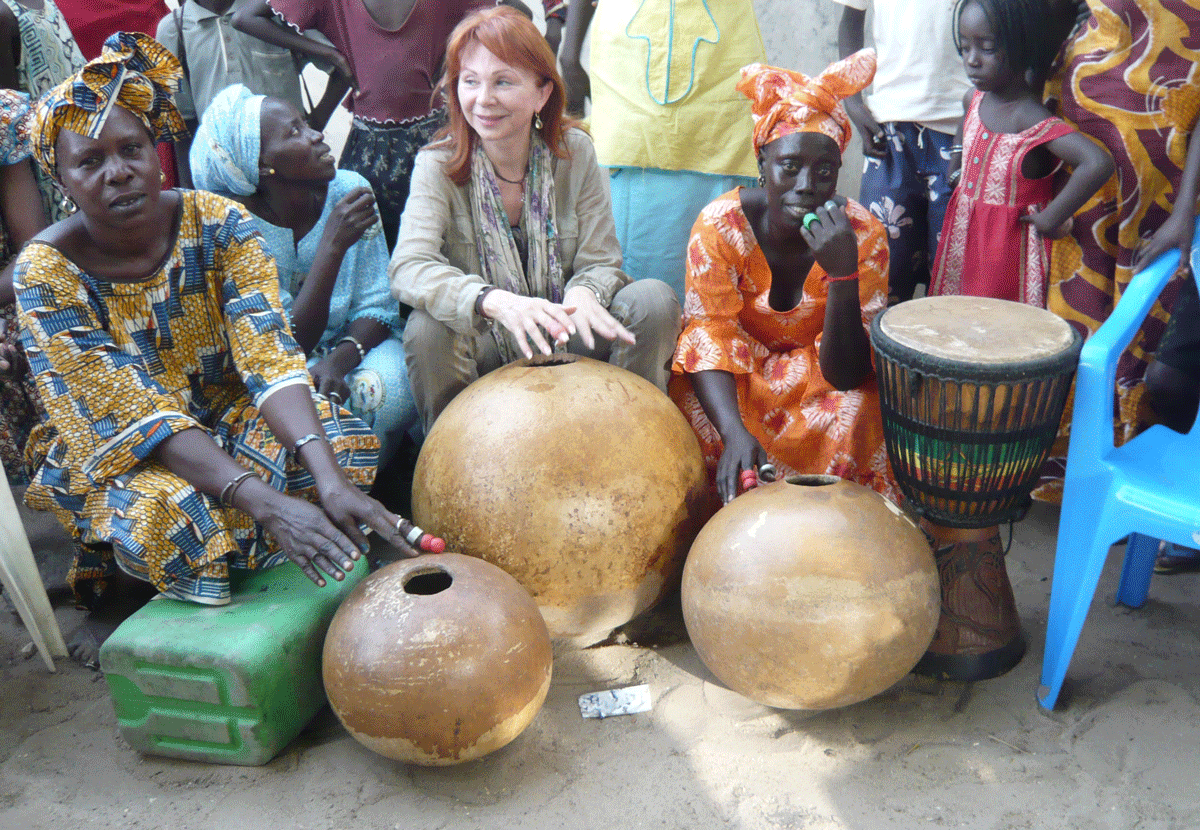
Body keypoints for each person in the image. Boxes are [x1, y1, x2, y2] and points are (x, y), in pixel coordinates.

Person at [13, 33, 422, 662]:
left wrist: (326, 479)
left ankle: (250, 580)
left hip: (226, 416)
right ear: (60, 177)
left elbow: (270, 356)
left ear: (157, 153)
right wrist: (268, 505)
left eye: (131, 149)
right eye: (90, 162)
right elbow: (138, 415)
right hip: (128, 449)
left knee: (337, 449)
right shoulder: (45, 274)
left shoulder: (219, 224)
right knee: (179, 518)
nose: (117, 171)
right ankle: (122, 588)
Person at [390, 6, 680, 431]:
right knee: (427, 329)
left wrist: (586, 293)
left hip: (568, 329)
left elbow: (600, 260)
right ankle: (454, 468)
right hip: (489, 340)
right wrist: (495, 301)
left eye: (503, 81)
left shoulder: (575, 152)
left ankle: (633, 440)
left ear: (542, 92)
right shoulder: (437, 166)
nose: (483, 99)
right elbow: (408, 268)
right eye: (469, 82)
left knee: (652, 299)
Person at [669, 51, 898, 505]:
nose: (807, 184)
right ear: (762, 162)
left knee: (856, 413)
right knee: (694, 416)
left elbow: (847, 373)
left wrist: (843, 273)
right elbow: (708, 334)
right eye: (789, 166)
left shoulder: (864, 235)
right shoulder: (720, 226)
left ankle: (834, 539)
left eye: (824, 170)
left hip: (821, 380)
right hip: (737, 374)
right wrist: (734, 432)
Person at [190, 83, 418, 466]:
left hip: (357, 348)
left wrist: (338, 362)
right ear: (262, 166)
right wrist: (331, 246)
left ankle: (378, 483)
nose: (317, 135)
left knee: (389, 387)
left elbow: (379, 307)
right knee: (302, 414)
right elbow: (282, 346)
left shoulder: (349, 191)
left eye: (304, 123)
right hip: (280, 371)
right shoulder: (238, 231)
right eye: (294, 132)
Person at [231, 0, 568, 250]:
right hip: (371, 149)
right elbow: (246, 17)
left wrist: (453, 62)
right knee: (377, 253)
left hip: (434, 142)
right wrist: (332, 55)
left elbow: (515, 14)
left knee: (449, 248)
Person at [1033, 0, 1200, 501]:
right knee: (1077, 324)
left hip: (1165, 204)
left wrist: (1184, 214)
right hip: (1083, 194)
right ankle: (1069, 475)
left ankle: (1137, 481)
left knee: (1148, 340)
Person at [558, 0, 765, 303]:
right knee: (635, 268)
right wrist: (570, 55)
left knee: (716, 252)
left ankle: (711, 343)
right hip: (632, 64)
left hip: (721, 66)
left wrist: (571, 54)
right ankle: (648, 342)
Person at [928, 0, 1113, 307]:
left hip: (1006, 249)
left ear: (1021, 45)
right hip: (966, 236)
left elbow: (1095, 162)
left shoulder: (1028, 117)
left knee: (999, 327)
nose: (972, 60)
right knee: (959, 318)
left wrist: (1051, 218)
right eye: (965, 47)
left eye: (987, 48)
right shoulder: (974, 98)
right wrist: (957, 161)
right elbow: (965, 117)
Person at [833, 0, 970, 305]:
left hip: (963, 130)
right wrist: (852, 101)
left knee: (954, 284)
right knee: (882, 276)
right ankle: (880, 354)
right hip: (890, 133)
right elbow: (850, 22)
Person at [156, 0, 350, 189]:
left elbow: (342, 67)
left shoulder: (273, 12)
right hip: (225, 173)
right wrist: (190, 193)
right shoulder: (174, 29)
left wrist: (315, 122)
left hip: (290, 163)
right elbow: (182, 122)